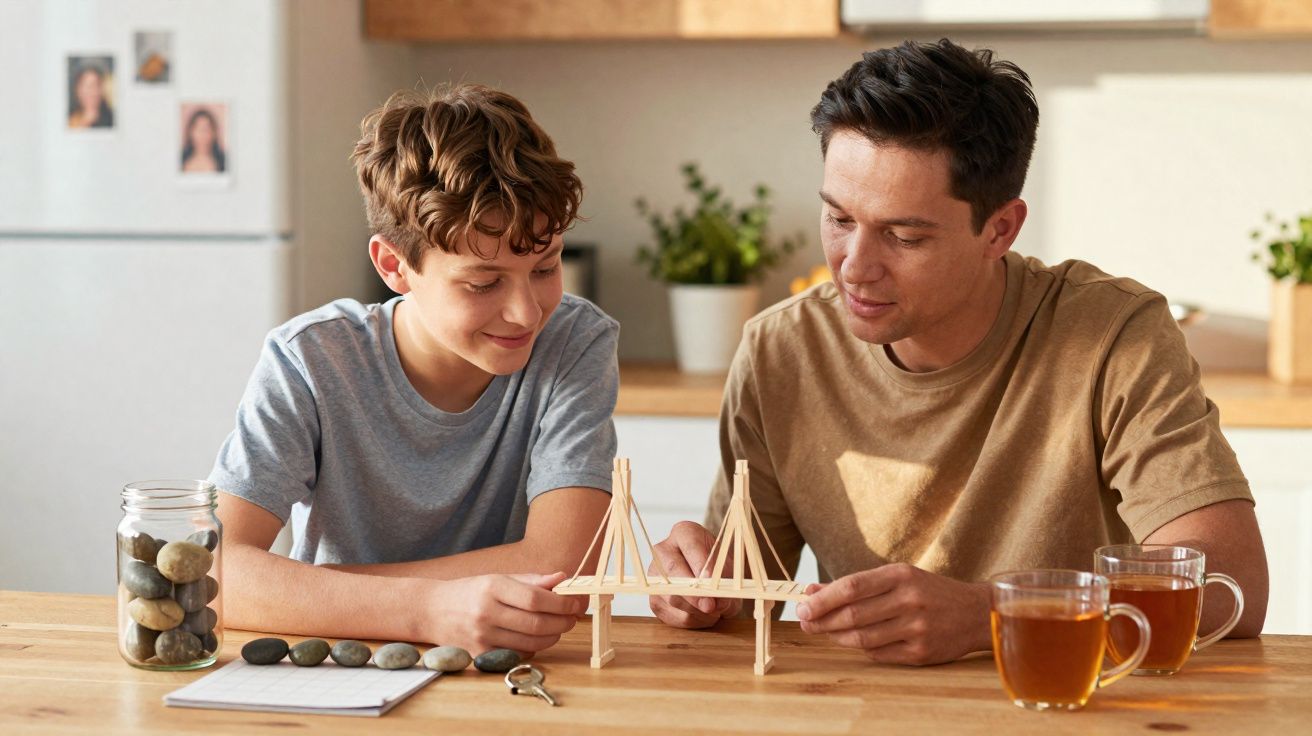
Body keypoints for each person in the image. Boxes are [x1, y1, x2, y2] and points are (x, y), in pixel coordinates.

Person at [648, 39, 1269, 665]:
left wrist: (991, 615)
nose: (854, 268)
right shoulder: (779, 350)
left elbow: (1231, 584)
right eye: (838, 220)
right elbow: (745, 601)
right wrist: (697, 591)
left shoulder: (1115, 336)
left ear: (999, 229)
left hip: (1070, 703)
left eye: (903, 235)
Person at [210, 85, 617, 655]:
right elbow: (214, 572)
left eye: (546, 268)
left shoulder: (575, 341)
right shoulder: (310, 360)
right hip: (335, 670)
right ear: (394, 266)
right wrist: (426, 610)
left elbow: (562, 566)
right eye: (483, 283)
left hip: (500, 677)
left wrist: (302, 590)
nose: (527, 312)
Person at [67, 62, 114, 129]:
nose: (91, 92)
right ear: (77, 90)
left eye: (96, 85)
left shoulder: (112, 119)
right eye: (87, 86)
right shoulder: (70, 119)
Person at [181, 108, 226, 174]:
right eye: (198, 129)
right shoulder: (180, 160)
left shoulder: (224, 161)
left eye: (206, 129)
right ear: (190, 132)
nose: (202, 134)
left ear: (214, 133)